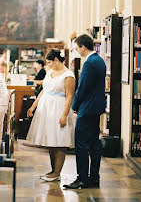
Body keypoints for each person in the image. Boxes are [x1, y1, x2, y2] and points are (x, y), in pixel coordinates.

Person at [64, 34, 106, 189]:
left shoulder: (89, 63)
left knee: (81, 144)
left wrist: (74, 105)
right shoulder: (100, 60)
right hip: (96, 108)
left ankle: (82, 178)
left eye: (77, 48)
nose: (76, 51)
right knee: (94, 144)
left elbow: (83, 88)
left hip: (87, 109)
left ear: (83, 47)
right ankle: (94, 178)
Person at [26, 49, 75, 182]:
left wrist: (64, 115)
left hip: (59, 108)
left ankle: (57, 172)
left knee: (59, 141)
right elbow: (43, 91)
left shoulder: (68, 75)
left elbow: (70, 96)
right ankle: (53, 171)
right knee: (50, 140)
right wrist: (33, 106)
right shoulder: (49, 72)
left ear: (56, 60)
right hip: (46, 108)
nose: (48, 65)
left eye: (49, 62)